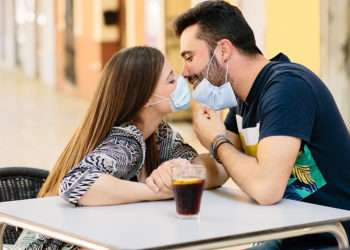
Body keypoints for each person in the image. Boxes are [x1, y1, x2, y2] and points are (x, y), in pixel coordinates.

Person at [173, 1, 350, 249]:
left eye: (189, 57)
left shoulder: (287, 88)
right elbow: (222, 166)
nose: (184, 72)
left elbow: (266, 189)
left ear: (223, 50)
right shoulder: (242, 99)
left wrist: (216, 141)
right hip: (291, 231)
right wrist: (179, 171)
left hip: (331, 237)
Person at [13, 46, 227, 249]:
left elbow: (218, 170)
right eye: (171, 80)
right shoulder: (127, 140)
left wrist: (184, 168)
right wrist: (157, 191)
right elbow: (75, 184)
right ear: (144, 99)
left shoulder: (160, 135)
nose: (182, 82)